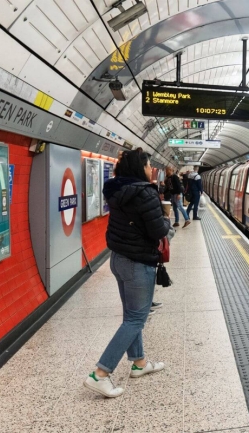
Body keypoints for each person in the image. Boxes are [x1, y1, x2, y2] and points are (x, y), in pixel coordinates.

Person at [84, 148, 170, 398]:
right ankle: (100, 374)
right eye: (148, 165)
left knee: (131, 316)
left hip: (118, 259)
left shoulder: (116, 190)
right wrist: (166, 220)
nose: (150, 169)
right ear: (139, 168)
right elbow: (158, 231)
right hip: (138, 262)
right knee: (136, 320)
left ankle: (139, 363)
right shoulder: (146, 193)